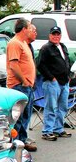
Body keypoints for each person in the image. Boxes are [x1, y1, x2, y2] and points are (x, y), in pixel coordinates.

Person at [6, 18, 37, 151]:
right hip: (19, 86)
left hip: (27, 86)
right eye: (29, 28)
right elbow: (13, 65)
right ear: (23, 29)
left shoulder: (24, 43)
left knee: (26, 116)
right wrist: (24, 80)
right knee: (17, 117)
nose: (31, 30)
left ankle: (22, 141)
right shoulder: (15, 43)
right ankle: (15, 143)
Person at [36, 26, 73, 141]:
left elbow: (67, 61)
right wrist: (51, 78)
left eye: (58, 34)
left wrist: (69, 75)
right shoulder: (46, 48)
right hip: (52, 82)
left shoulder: (62, 46)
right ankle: (47, 131)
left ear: (60, 35)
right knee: (51, 107)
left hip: (64, 81)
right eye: (54, 34)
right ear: (49, 35)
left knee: (63, 107)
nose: (56, 36)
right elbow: (40, 65)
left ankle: (58, 129)